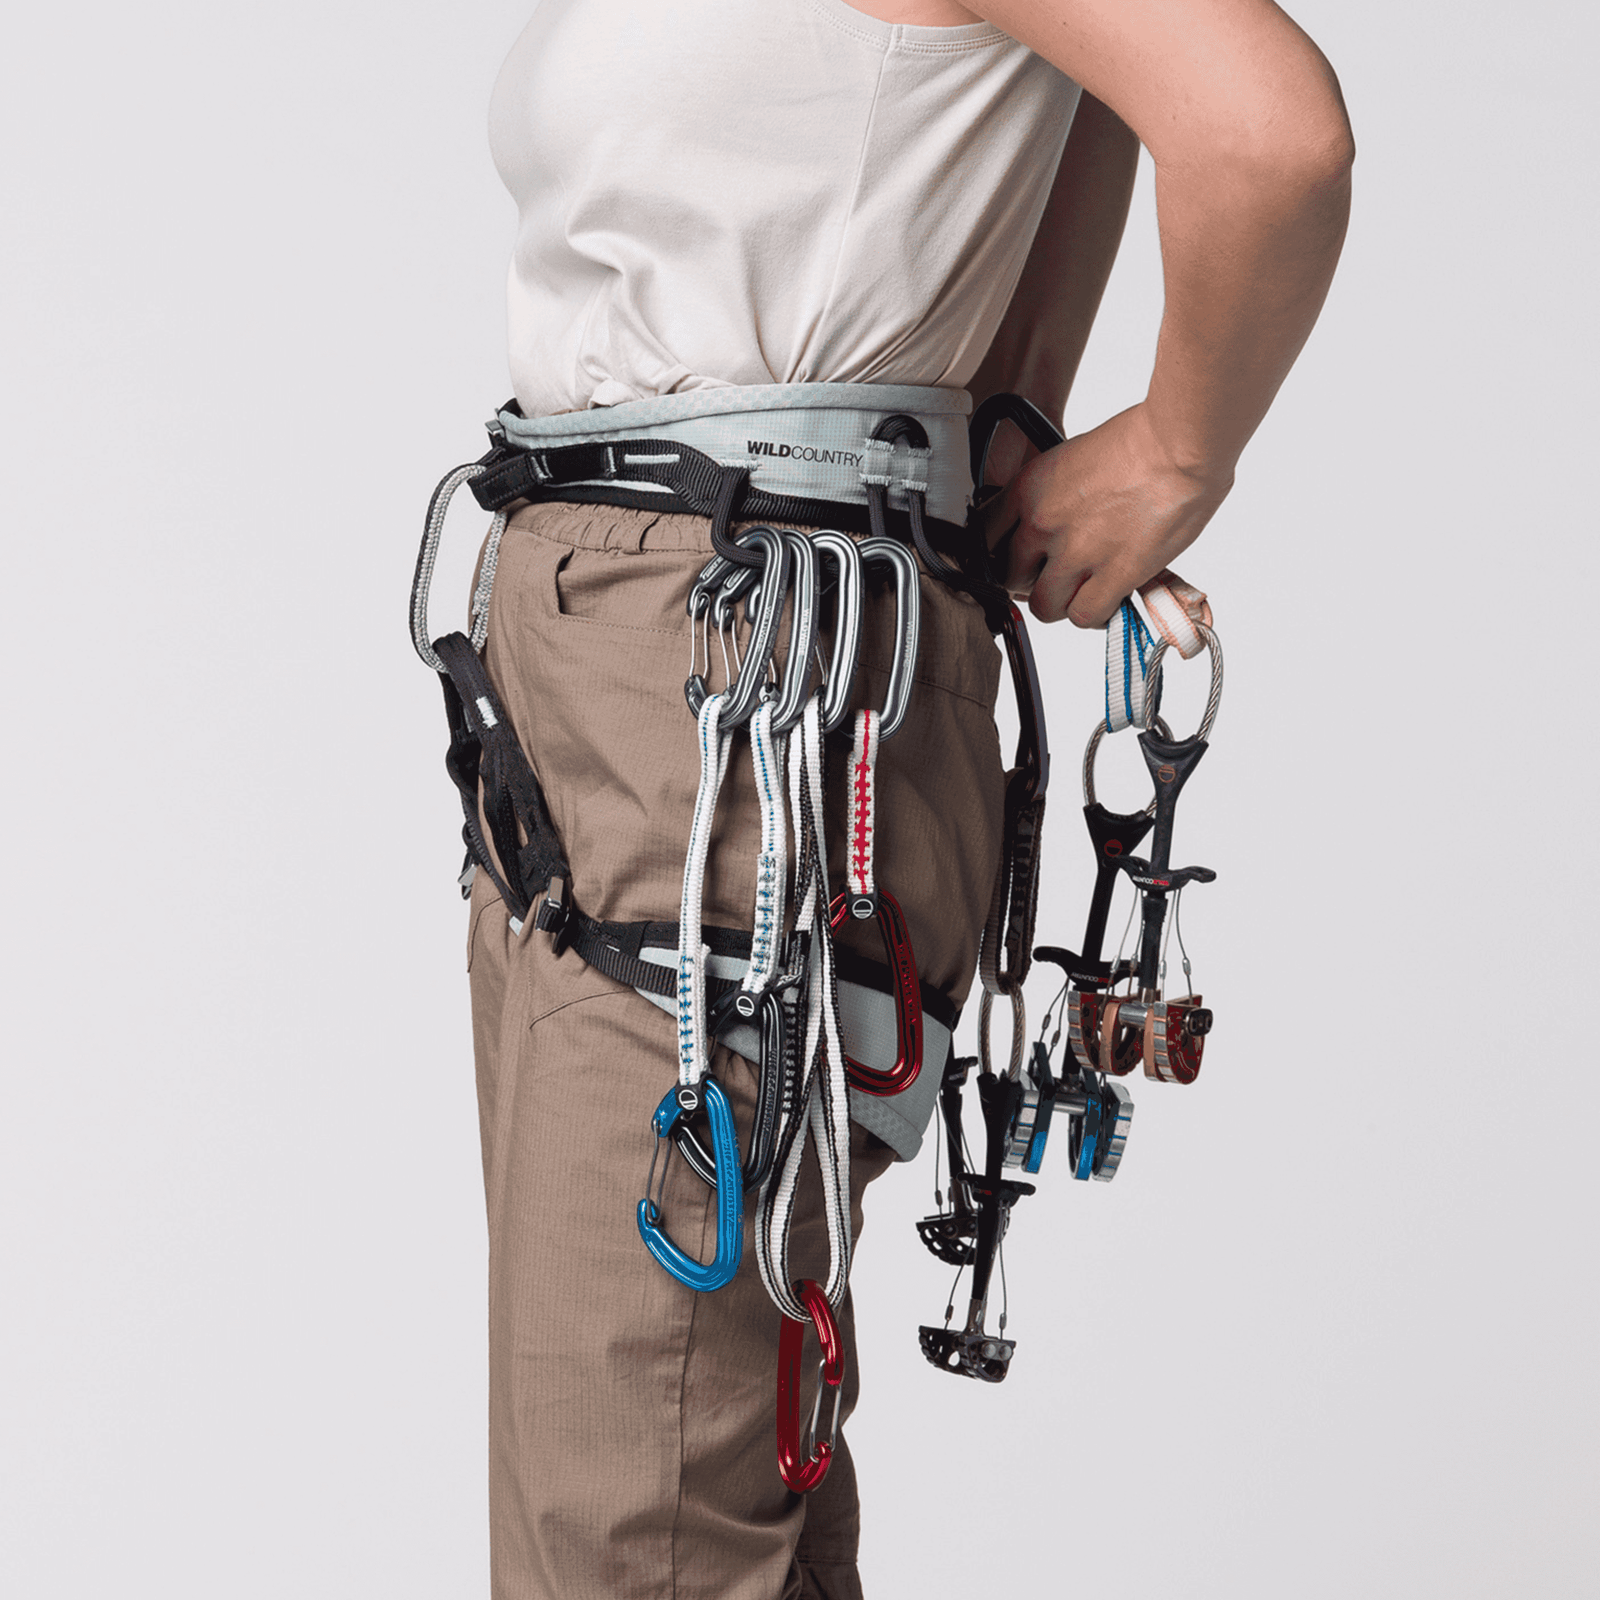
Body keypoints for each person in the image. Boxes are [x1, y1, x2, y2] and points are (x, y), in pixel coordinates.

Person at [439, 3, 1352, 1596]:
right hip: (619, 660)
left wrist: (1174, 455)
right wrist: (1016, 411)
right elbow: (1087, 103)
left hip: (733, 674)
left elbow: (1267, 133)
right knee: (661, 1459)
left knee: (633, 1513)